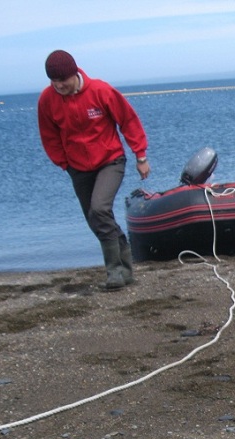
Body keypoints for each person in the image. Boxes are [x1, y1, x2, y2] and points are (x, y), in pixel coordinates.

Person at [38, 50, 150, 290]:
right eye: (54, 82)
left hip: (110, 160)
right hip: (77, 167)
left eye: (63, 81)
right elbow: (49, 135)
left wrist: (140, 155)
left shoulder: (100, 91)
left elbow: (128, 120)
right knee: (95, 219)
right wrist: (63, 163)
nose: (59, 86)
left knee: (99, 209)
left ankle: (115, 273)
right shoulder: (47, 100)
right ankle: (126, 269)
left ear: (74, 73)